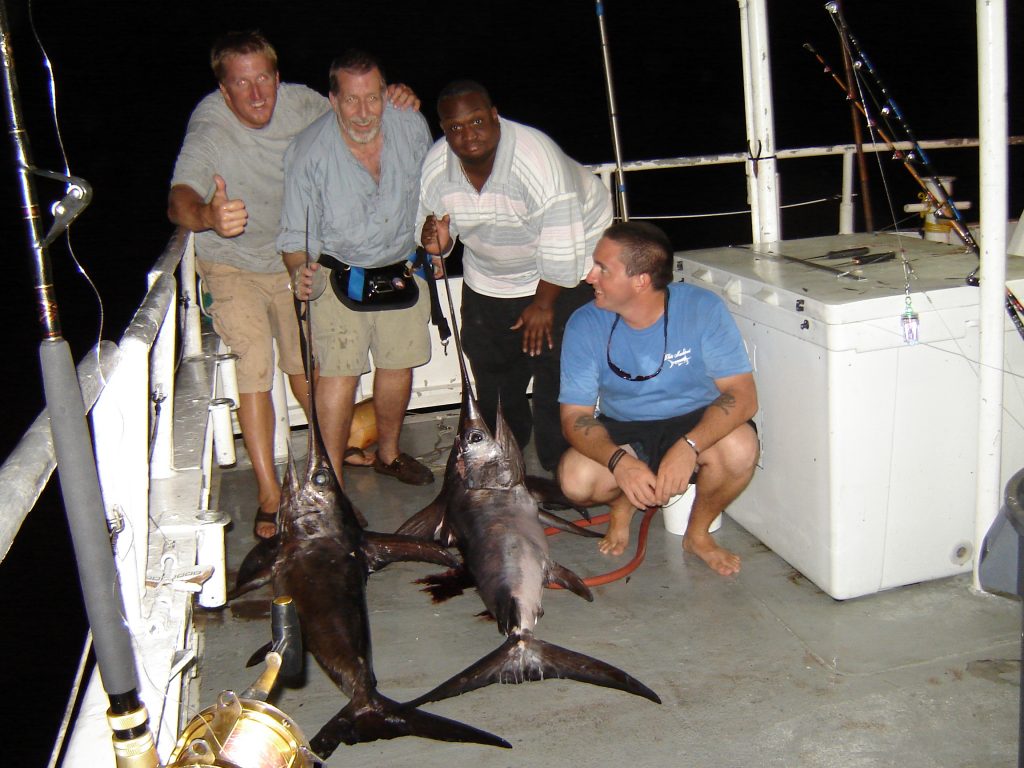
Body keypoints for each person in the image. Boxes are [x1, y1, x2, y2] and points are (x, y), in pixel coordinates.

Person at [168, 32, 419, 540]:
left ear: (277, 77)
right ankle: (268, 493)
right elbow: (177, 201)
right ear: (223, 88)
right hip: (234, 265)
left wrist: (397, 97)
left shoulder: (304, 103)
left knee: (309, 364)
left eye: (265, 78)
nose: (258, 94)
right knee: (257, 369)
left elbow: (357, 109)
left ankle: (330, 459)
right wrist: (209, 217)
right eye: (242, 83)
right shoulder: (210, 127)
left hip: (296, 260)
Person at [418, 80, 612, 473]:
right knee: (490, 371)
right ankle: (502, 456)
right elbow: (437, 235)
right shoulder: (437, 166)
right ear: (443, 129)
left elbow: (561, 246)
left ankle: (559, 466)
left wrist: (543, 304)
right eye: (454, 127)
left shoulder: (534, 160)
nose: (467, 135)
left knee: (555, 371)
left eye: (476, 121)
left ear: (494, 116)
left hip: (569, 259)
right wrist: (437, 242)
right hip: (491, 270)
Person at [557, 222, 759, 576]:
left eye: (603, 269)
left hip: (696, 419)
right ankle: (624, 501)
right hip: (625, 426)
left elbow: (742, 397)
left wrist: (689, 445)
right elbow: (574, 415)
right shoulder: (584, 323)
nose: (590, 276)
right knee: (575, 480)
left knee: (741, 447)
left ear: (640, 280)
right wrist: (620, 461)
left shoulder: (702, 308)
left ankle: (697, 535)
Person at [281, 50, 434, 488]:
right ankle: (331, 481)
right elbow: (294, 237)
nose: (364, 112)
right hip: (337, 272)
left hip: (402, 266)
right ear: (333, 100)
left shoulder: (411, 124)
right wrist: (298, 273)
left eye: (373, 98)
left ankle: (388, 454)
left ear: (386, 94)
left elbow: (432, 195)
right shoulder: (308, 151)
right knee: (338, 372)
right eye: (351, 100)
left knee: (398, 364)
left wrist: (438, 243)